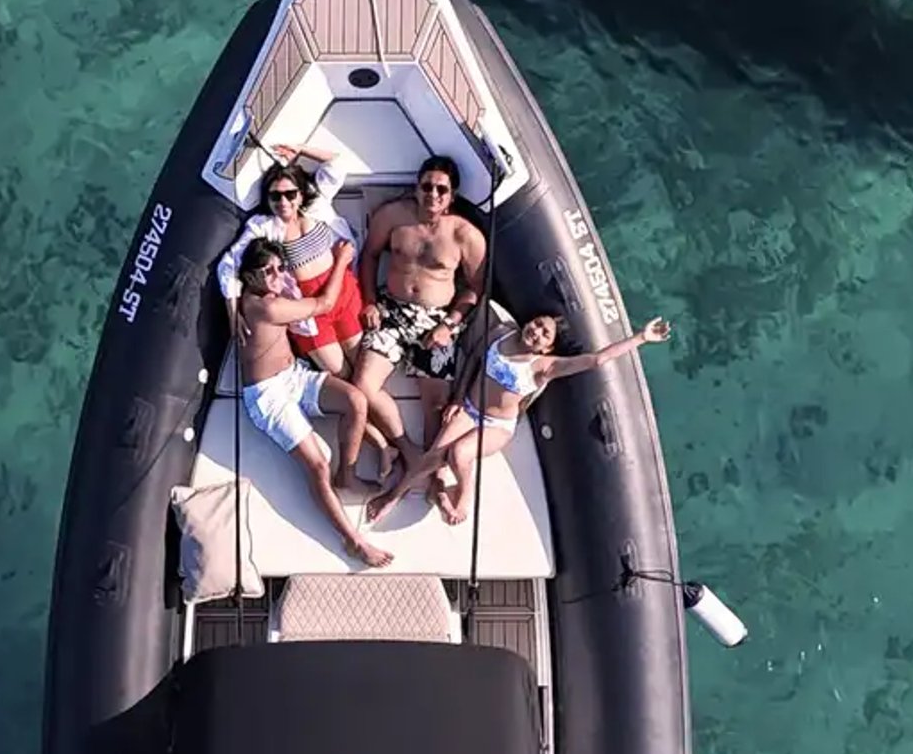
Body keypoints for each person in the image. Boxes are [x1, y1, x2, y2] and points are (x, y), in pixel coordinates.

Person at [367, 312, 673, 526]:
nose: (536, 331)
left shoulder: (545, 366)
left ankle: (462, 496)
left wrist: (641, 337)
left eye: (544, 334)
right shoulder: (502, 333)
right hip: (470, 408)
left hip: (496, 425)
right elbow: (474, 360)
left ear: (547, 346)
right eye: (538, 324)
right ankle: (394, 496)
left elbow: (596, 359)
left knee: (458, 454)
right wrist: (458, 399)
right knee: (432, 454)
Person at [234, 244, 392, 567]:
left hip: (294, 375)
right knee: (318, 465)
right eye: (269, 271)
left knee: (356, 400)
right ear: (251, 276)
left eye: (280, 268)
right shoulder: (264, 307)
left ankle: (346, 475)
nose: (279, 276)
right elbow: (325, 304)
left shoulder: (262, 296)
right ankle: (354, 542)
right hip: (267, 394)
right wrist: (343, 261)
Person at [354, 155, 490, 484]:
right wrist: (370, 301)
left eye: (441, 189)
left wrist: (450, 325)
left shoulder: (465, 236)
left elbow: (476, 288)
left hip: (436, 322)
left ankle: (432, 475)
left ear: (452, 196)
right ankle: (406, 448)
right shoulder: (391, 217)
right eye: (426, 186)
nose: (433, 194)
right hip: (391, 313)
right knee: (362, 387)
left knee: (436, 405)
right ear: (416, 189)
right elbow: (370, 256)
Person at [217, 156, 363, 375]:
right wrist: (233, 311)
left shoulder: (318, 206)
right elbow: (229, 264)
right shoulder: (264, 227)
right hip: (309, 310)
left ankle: (367, 407)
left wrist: (301, 150)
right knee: (341, 372)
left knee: (362, 367)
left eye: (290, 194)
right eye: (275, 196)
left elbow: (336, 165)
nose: (283, 202)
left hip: (343, 292)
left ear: (301, 194)